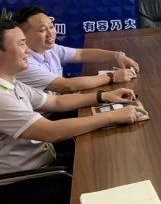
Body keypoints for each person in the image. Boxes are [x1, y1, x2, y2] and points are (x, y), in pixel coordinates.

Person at [0, 19, 146, 175]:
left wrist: (104, 96)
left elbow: (56, 101)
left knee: (108, 155)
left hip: (47, 156)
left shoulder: (12, 83)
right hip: (30, 177)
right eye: (21, 44)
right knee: (107, 167)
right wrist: (113, 116)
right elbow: (50, 131)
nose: (27, 50)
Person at [13, 5, 139, 94]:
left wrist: (117, 55)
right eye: (42, 30)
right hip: (47, 117)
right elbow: (66, 86)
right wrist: (112, 76)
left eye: (51, 27)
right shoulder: (24, 63)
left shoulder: (50, 49)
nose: (51, 33)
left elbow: (81, 54)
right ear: (22, 35)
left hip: (62, 104)